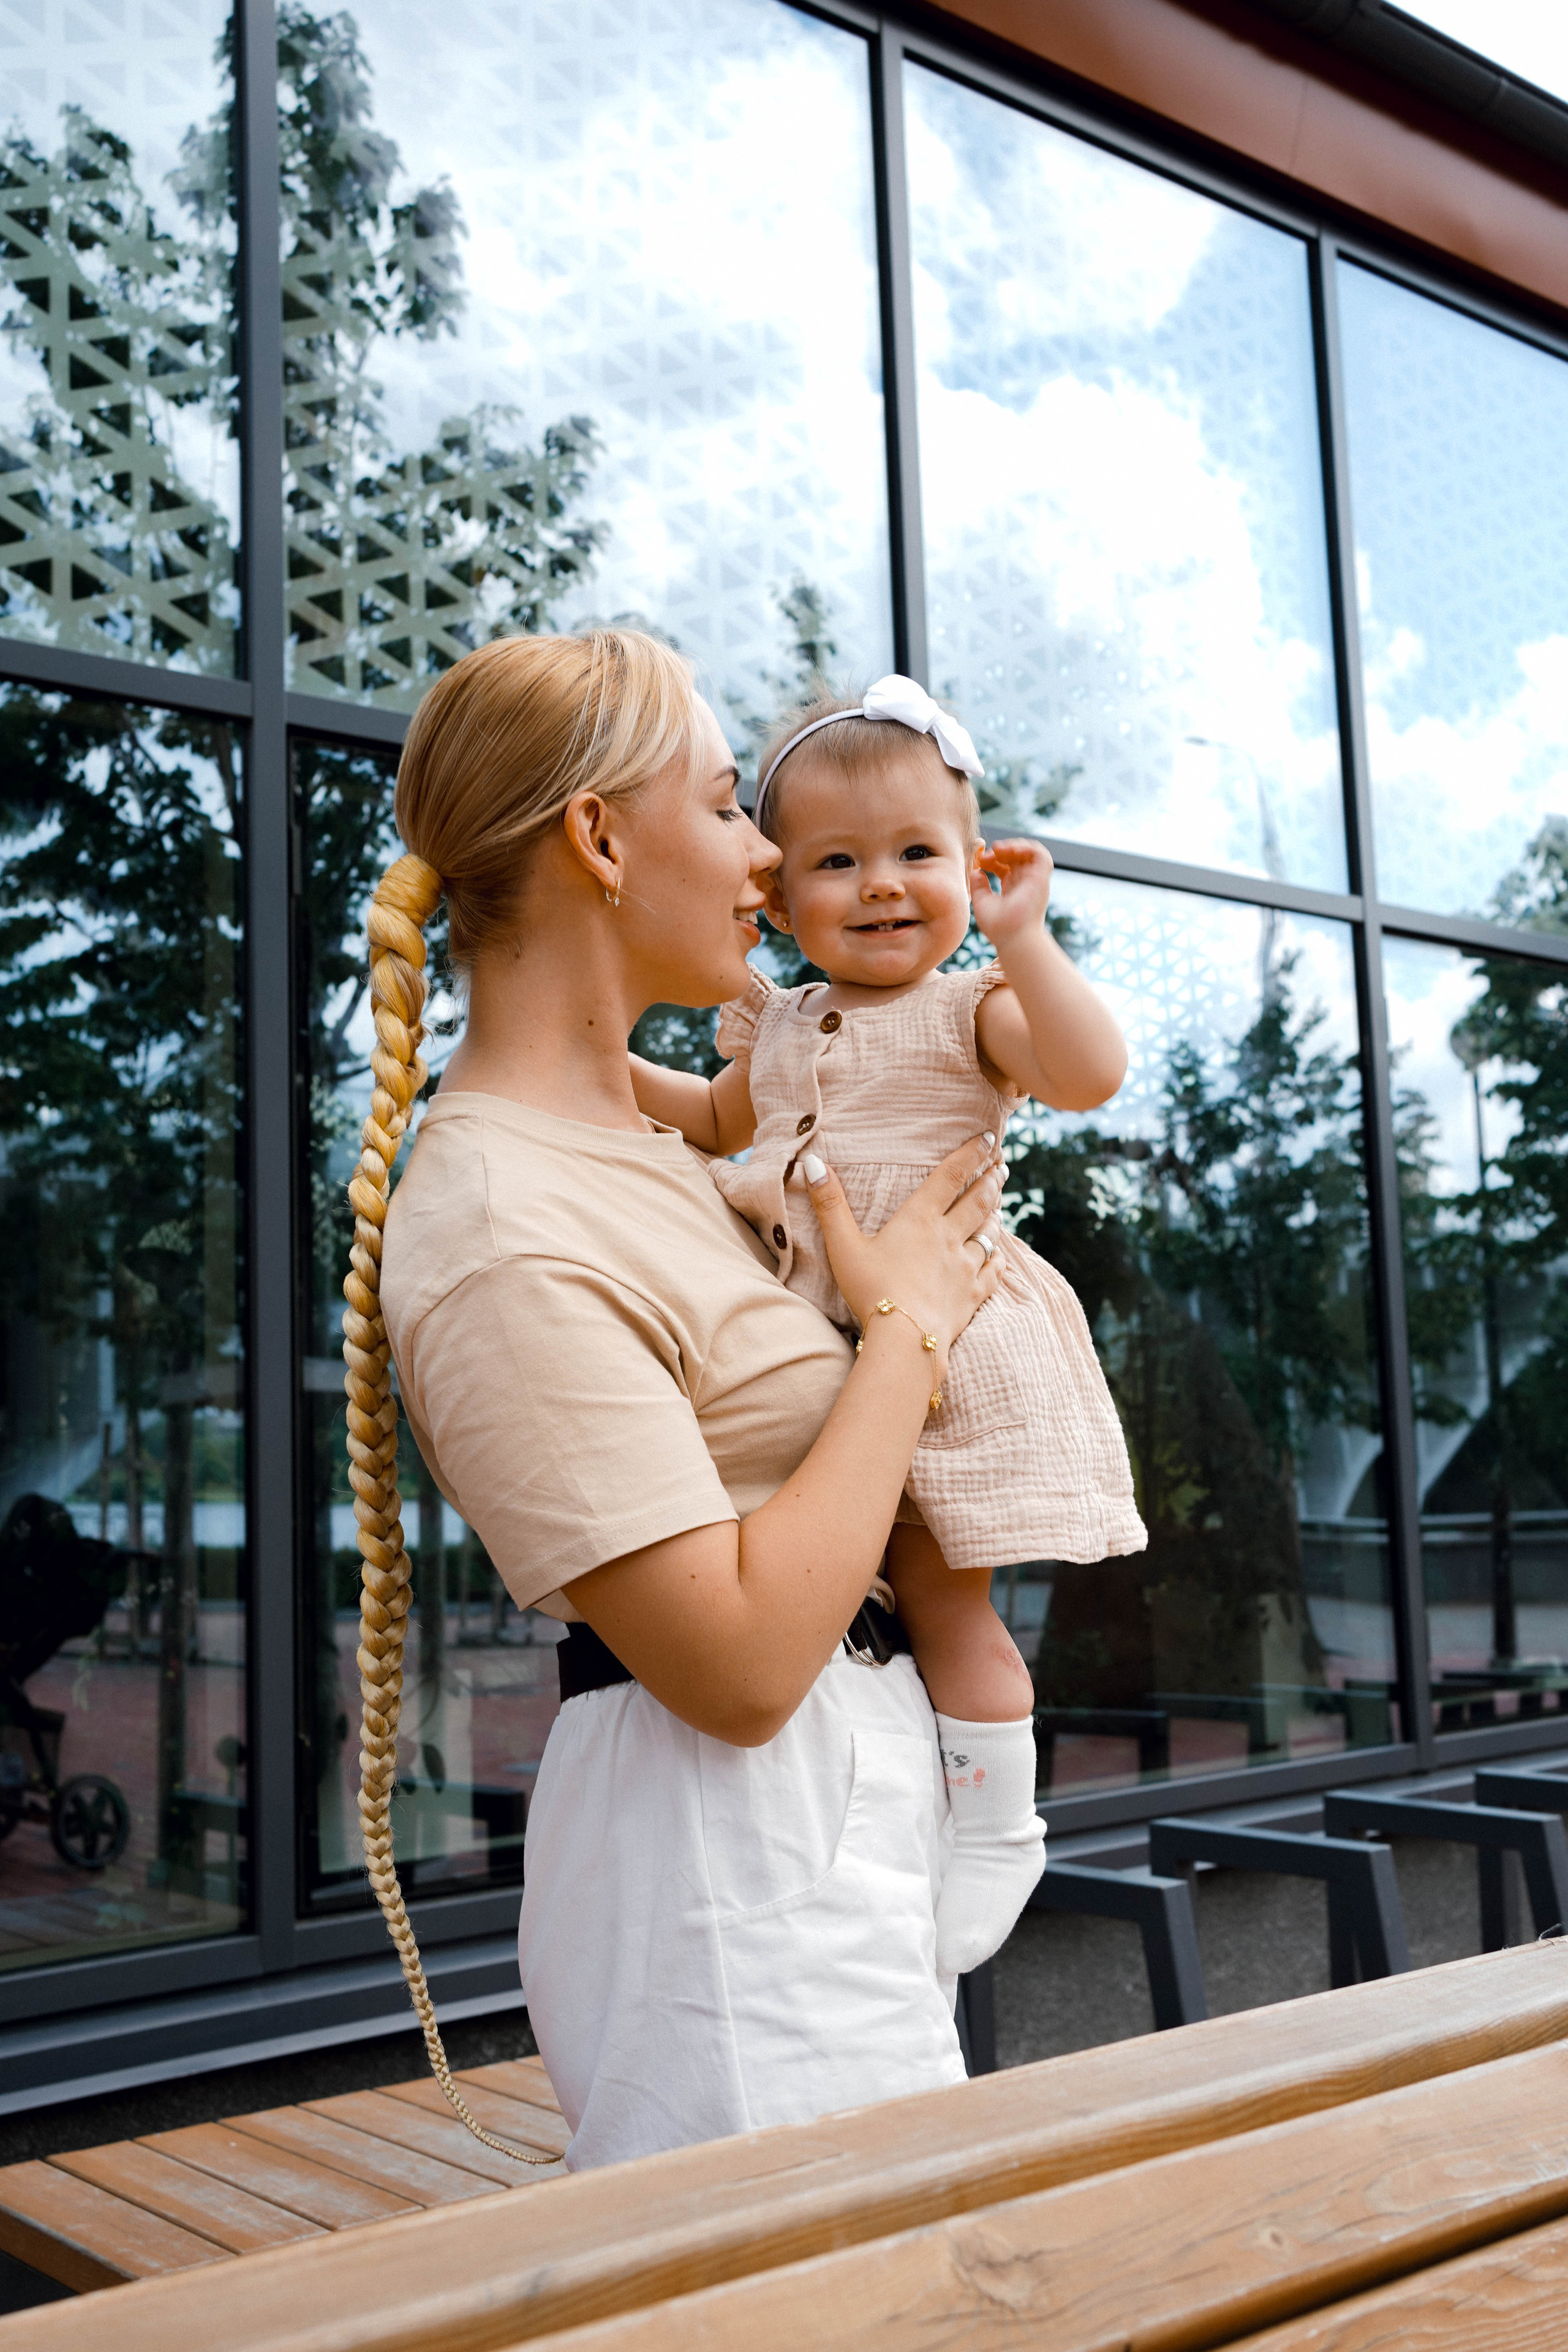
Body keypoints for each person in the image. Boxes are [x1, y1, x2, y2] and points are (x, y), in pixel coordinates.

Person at [344, 628, 1006, 2174]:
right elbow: (733, 1665)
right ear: (595, 839)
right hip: (731, 1871)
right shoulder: (502, 1223)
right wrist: (907, 1324)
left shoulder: (638, 1149)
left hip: (814, 1845)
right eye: (726, 809)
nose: (771, 859)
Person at [630, 675, 1145, 1981]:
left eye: (917, 854)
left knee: (941, 1594)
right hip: (806, 1328)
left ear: (969, 868)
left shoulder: (968, 1004)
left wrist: (1023, 937)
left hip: (939, 1333)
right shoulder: (781, 1018)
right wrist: (593, 1064)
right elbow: (711, 1117)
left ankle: (999, 1823)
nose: (878, 887)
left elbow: (1084, 1075)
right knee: (823, 1589)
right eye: (836, 862)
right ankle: (889, 1803)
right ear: (781, 886)